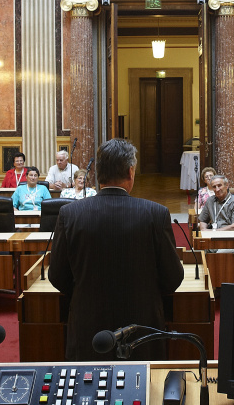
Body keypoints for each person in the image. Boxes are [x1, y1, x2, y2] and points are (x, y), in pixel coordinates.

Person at [49, 138, 184, 360]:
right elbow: (172, 278)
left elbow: (57, 276)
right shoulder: (155, 213)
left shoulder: (70, 214)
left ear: (97, 174)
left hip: (89, 328)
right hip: (142, 328)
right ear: (131, 172)